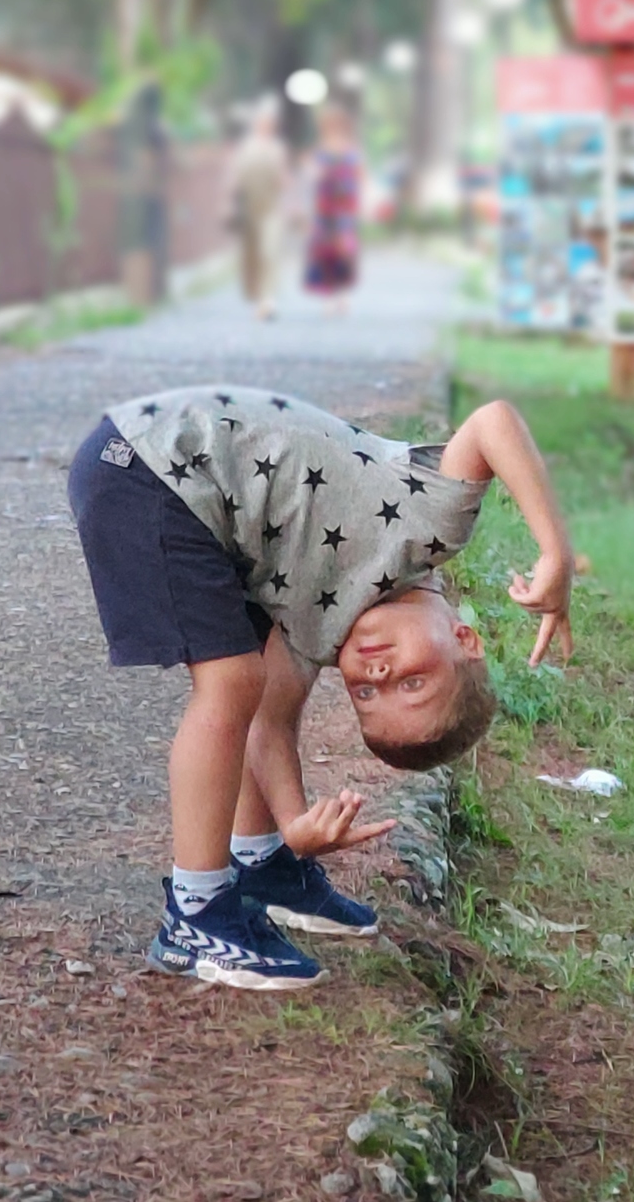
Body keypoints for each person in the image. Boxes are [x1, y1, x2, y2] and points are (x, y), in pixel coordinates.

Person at [67, 384, 573, 990]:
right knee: (231, 679)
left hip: (192, 493)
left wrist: (292, 825)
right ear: (465, 639)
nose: (377, 676)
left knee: (252, 683)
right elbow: (493, 421)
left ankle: (260, 866)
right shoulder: (433, 527)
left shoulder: (323, 624)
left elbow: (269, 724)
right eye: (412, 680)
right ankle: (195, 913)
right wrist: (555, 551)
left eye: (366, 696)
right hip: (148, 467)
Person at [226, 100, 289, 319]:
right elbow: (234, 178)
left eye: (270, 122)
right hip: (248, 208)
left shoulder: (278, 148)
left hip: (271, 208)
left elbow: (283, 178)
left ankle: (268, 298)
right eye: (263, 121)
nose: (266, 125)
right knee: (251, 255)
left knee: (270, 252)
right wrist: (229, 201)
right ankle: (255, 295)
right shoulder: (245, 147)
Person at [303, 100, 362, 311]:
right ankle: (327, 297)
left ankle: (343, 294)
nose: (332, 127)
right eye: (329, 123)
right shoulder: (319, 149)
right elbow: (310, 176)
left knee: (345, 251)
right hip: (324, 208)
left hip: (344, 207)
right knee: (324, 253)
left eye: (336, 123)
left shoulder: (351, 149)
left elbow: (359, 176)